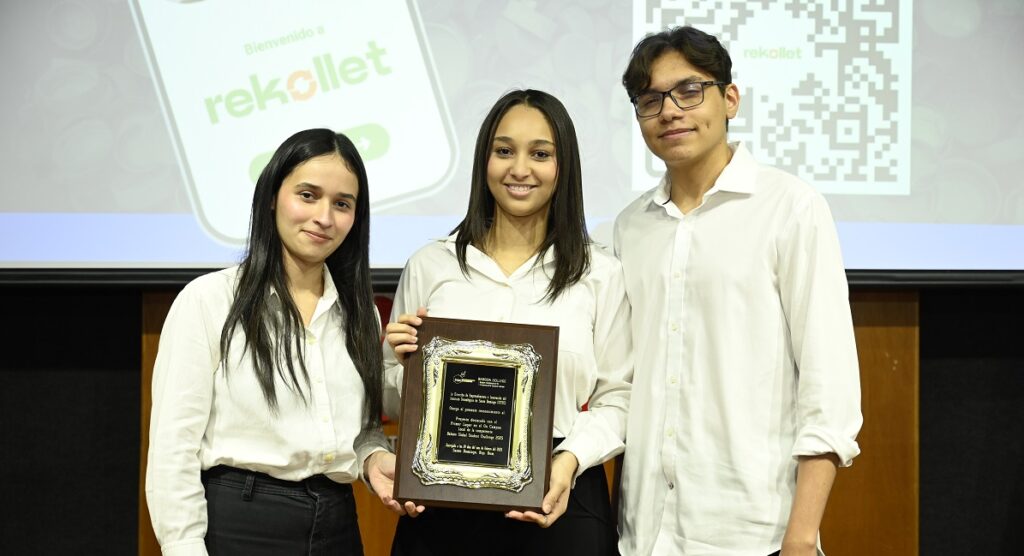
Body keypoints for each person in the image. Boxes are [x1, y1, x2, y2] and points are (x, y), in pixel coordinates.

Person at [613, 26, 863, 556]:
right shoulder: (630, 226)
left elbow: (830, 383)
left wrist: (802, 536)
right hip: (643, 533)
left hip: (754, 534)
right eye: (650, 100)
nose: (670, 111)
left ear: (730, 99)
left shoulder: (790, 207)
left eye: (688, 91)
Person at [383, 89, 632, 556]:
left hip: (560, 497)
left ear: (564, 167)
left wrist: (569, 460)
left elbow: (619, 398)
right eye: (504, 151)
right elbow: (393, 399)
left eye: (540, 153)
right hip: (444, 503)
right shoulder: (431, 264)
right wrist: (405, 370)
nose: (520, 169)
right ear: (484, 161)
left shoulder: (600, 273)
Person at [146, 128, 413, 556]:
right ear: (273, 196)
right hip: (242, 523)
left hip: (338, 521)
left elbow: (358, 430)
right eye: (308, 195)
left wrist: (372, 458)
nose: (325, 217)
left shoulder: (357, 311)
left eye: (342, 204)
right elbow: (173, 448)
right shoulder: (209, 300)